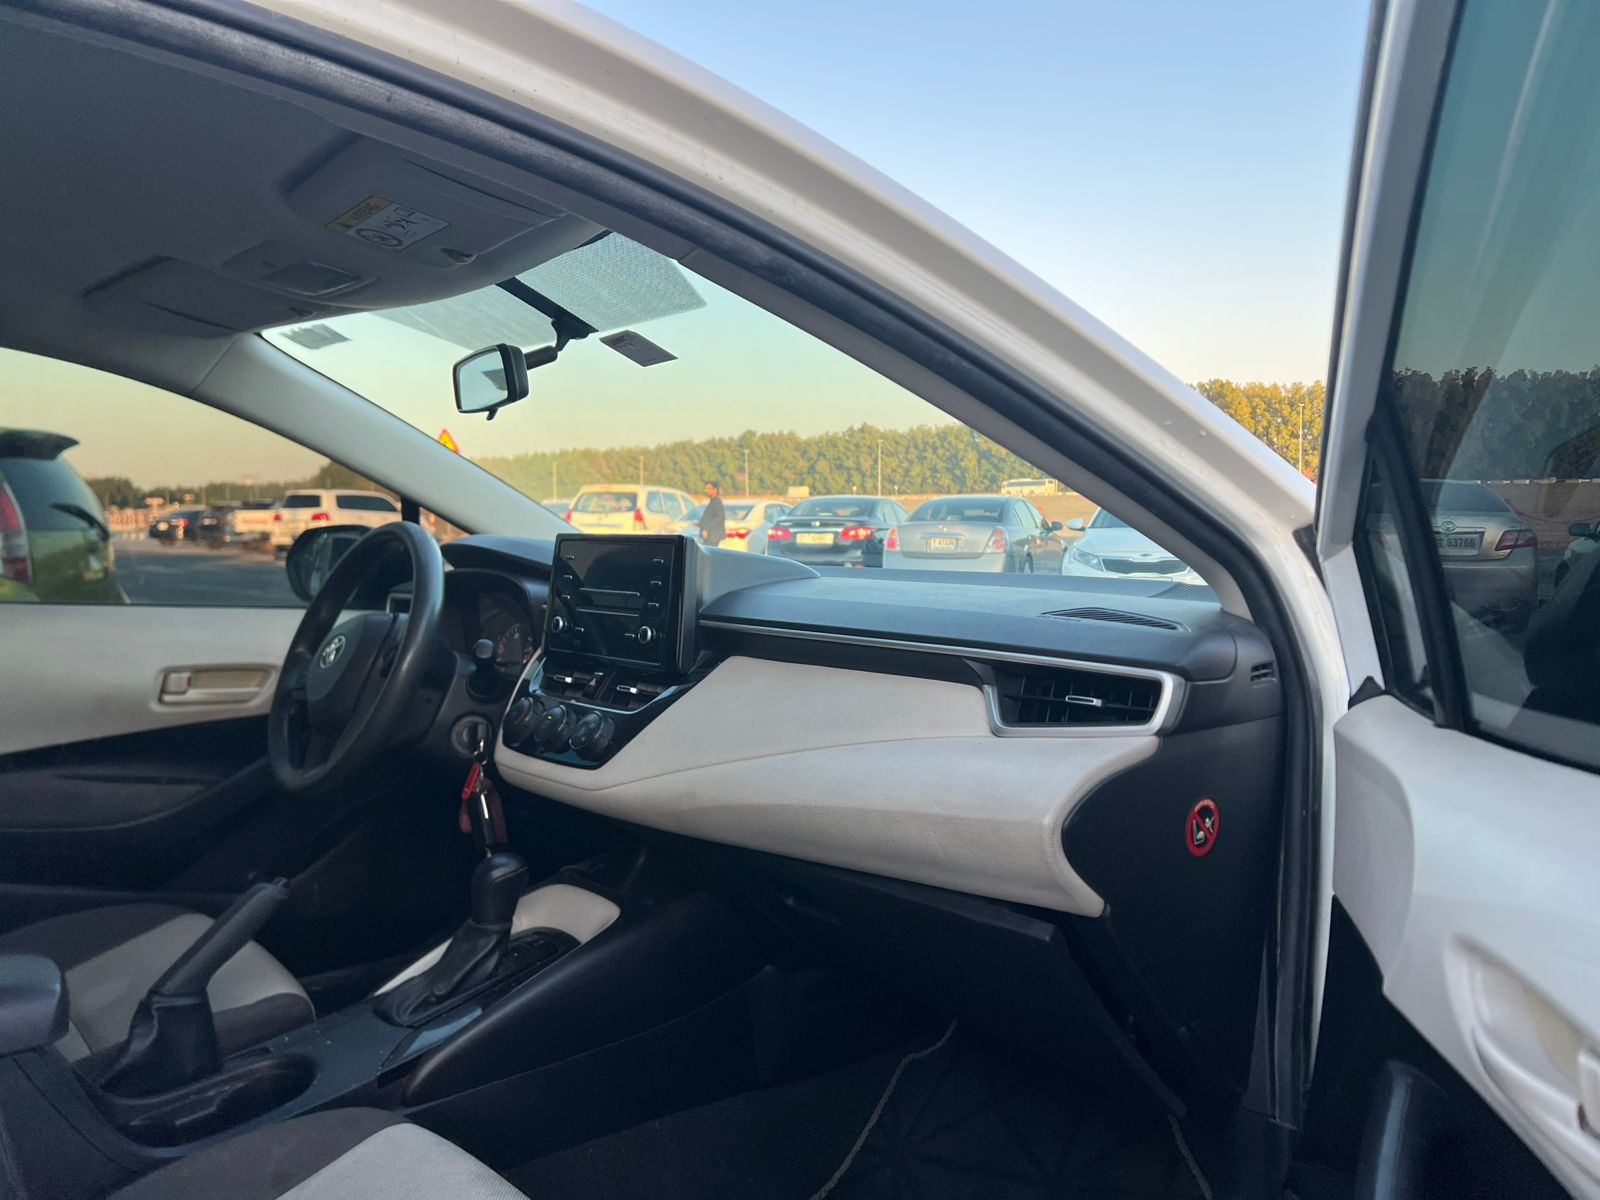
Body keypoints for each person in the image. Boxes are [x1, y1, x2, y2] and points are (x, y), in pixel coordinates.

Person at [698, 481, 726, 545]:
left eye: (708, 488)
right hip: (709, 537)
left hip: (713, 537)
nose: (706, 491)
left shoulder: (717, 502)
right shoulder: (712, 502)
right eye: (706, 488)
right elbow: (709, 517)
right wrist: (700, 523)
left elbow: (720, 518)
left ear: (715, 490)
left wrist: (707, 529)